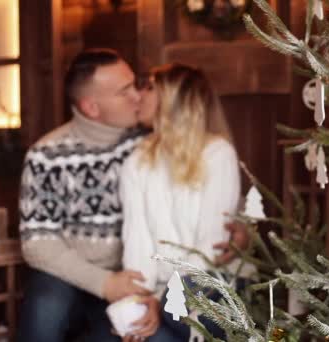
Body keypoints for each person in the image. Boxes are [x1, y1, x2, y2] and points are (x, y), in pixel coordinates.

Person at [17, 50, 247, 341]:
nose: (137, 95)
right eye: (125, 90)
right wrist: (111, 285)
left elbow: (220, 210)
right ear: (92, 107)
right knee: (46, 307)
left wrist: (243, 230)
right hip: (83, 274)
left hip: (157, 281)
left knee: (160, 317)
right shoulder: (48, 155)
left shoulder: (152, 142)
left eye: (139, 85)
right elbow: (38, 244)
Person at [119, 63, 252, 341]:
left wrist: (160, 298)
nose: (139, 95)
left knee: (173, 306)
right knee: (143, 330)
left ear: (174, 99)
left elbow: (210, 246)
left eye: (150, 87)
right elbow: (137, 238)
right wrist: (142, 298)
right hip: (164, 294)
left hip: (211, 279)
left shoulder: (217, 153)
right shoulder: (136, 160)